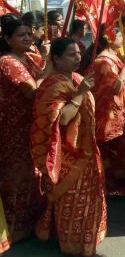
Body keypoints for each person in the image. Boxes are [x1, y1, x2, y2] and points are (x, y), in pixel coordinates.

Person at [30, 37, 106, 255]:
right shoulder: (52, 84)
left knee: (87, 198)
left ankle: (83, 238)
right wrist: (80, 93)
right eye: (71, 55)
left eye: (78, 53)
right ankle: (71, 244)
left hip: (86, 147)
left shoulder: (77, 77)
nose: (78, 58)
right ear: (56, 58)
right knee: (70, 198)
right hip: (66, 154)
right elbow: (62, 120)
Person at [87, 24, 125, 196]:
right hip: (115, 114)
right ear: (107, 38)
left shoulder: (112, 55)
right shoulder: (103, 62)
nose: (123, 38)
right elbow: (114, 88)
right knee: (122, 150)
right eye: (119, 35)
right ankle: (119, 187)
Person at [0, 15, 45, 248]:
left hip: (31, 124)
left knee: (33, 172)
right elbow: (32, 91)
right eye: (21, 35)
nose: (28, 37)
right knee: (17, 175)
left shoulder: (28, 56)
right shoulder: (8, 61)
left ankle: (31, 223)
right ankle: (14, 228)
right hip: (13, 127)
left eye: (29, 33)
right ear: (8, 39)